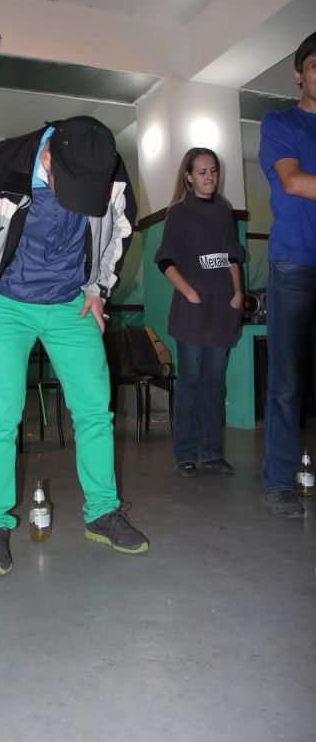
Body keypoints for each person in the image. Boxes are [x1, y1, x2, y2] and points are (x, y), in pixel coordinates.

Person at [0, 116, 150, 576]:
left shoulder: (108, 169)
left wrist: (99, 289)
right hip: (6, 302)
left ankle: (102, 512)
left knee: (95, 410)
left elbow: (120, 230)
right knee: (0, 415)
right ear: (47, 157)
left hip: (71, 301)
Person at [154, 148, 244, 478]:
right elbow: (165, 260)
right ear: (189, 176)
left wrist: (237, 291)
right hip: (191, 315)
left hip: (222, 312)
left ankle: (213, 454)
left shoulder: (223, 210)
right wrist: (189, 292)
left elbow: (232, 256)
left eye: (214, 170)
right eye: (203, 171)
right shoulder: (178, 213)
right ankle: (185, 456)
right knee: (190, 383)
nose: (210, 177)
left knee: (214, 384)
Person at [258, 31, 316, 518]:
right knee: (287, 381)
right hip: (295, 261)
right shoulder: (280, 121)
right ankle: (279, 480)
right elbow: (293, 182)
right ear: (299, 74)